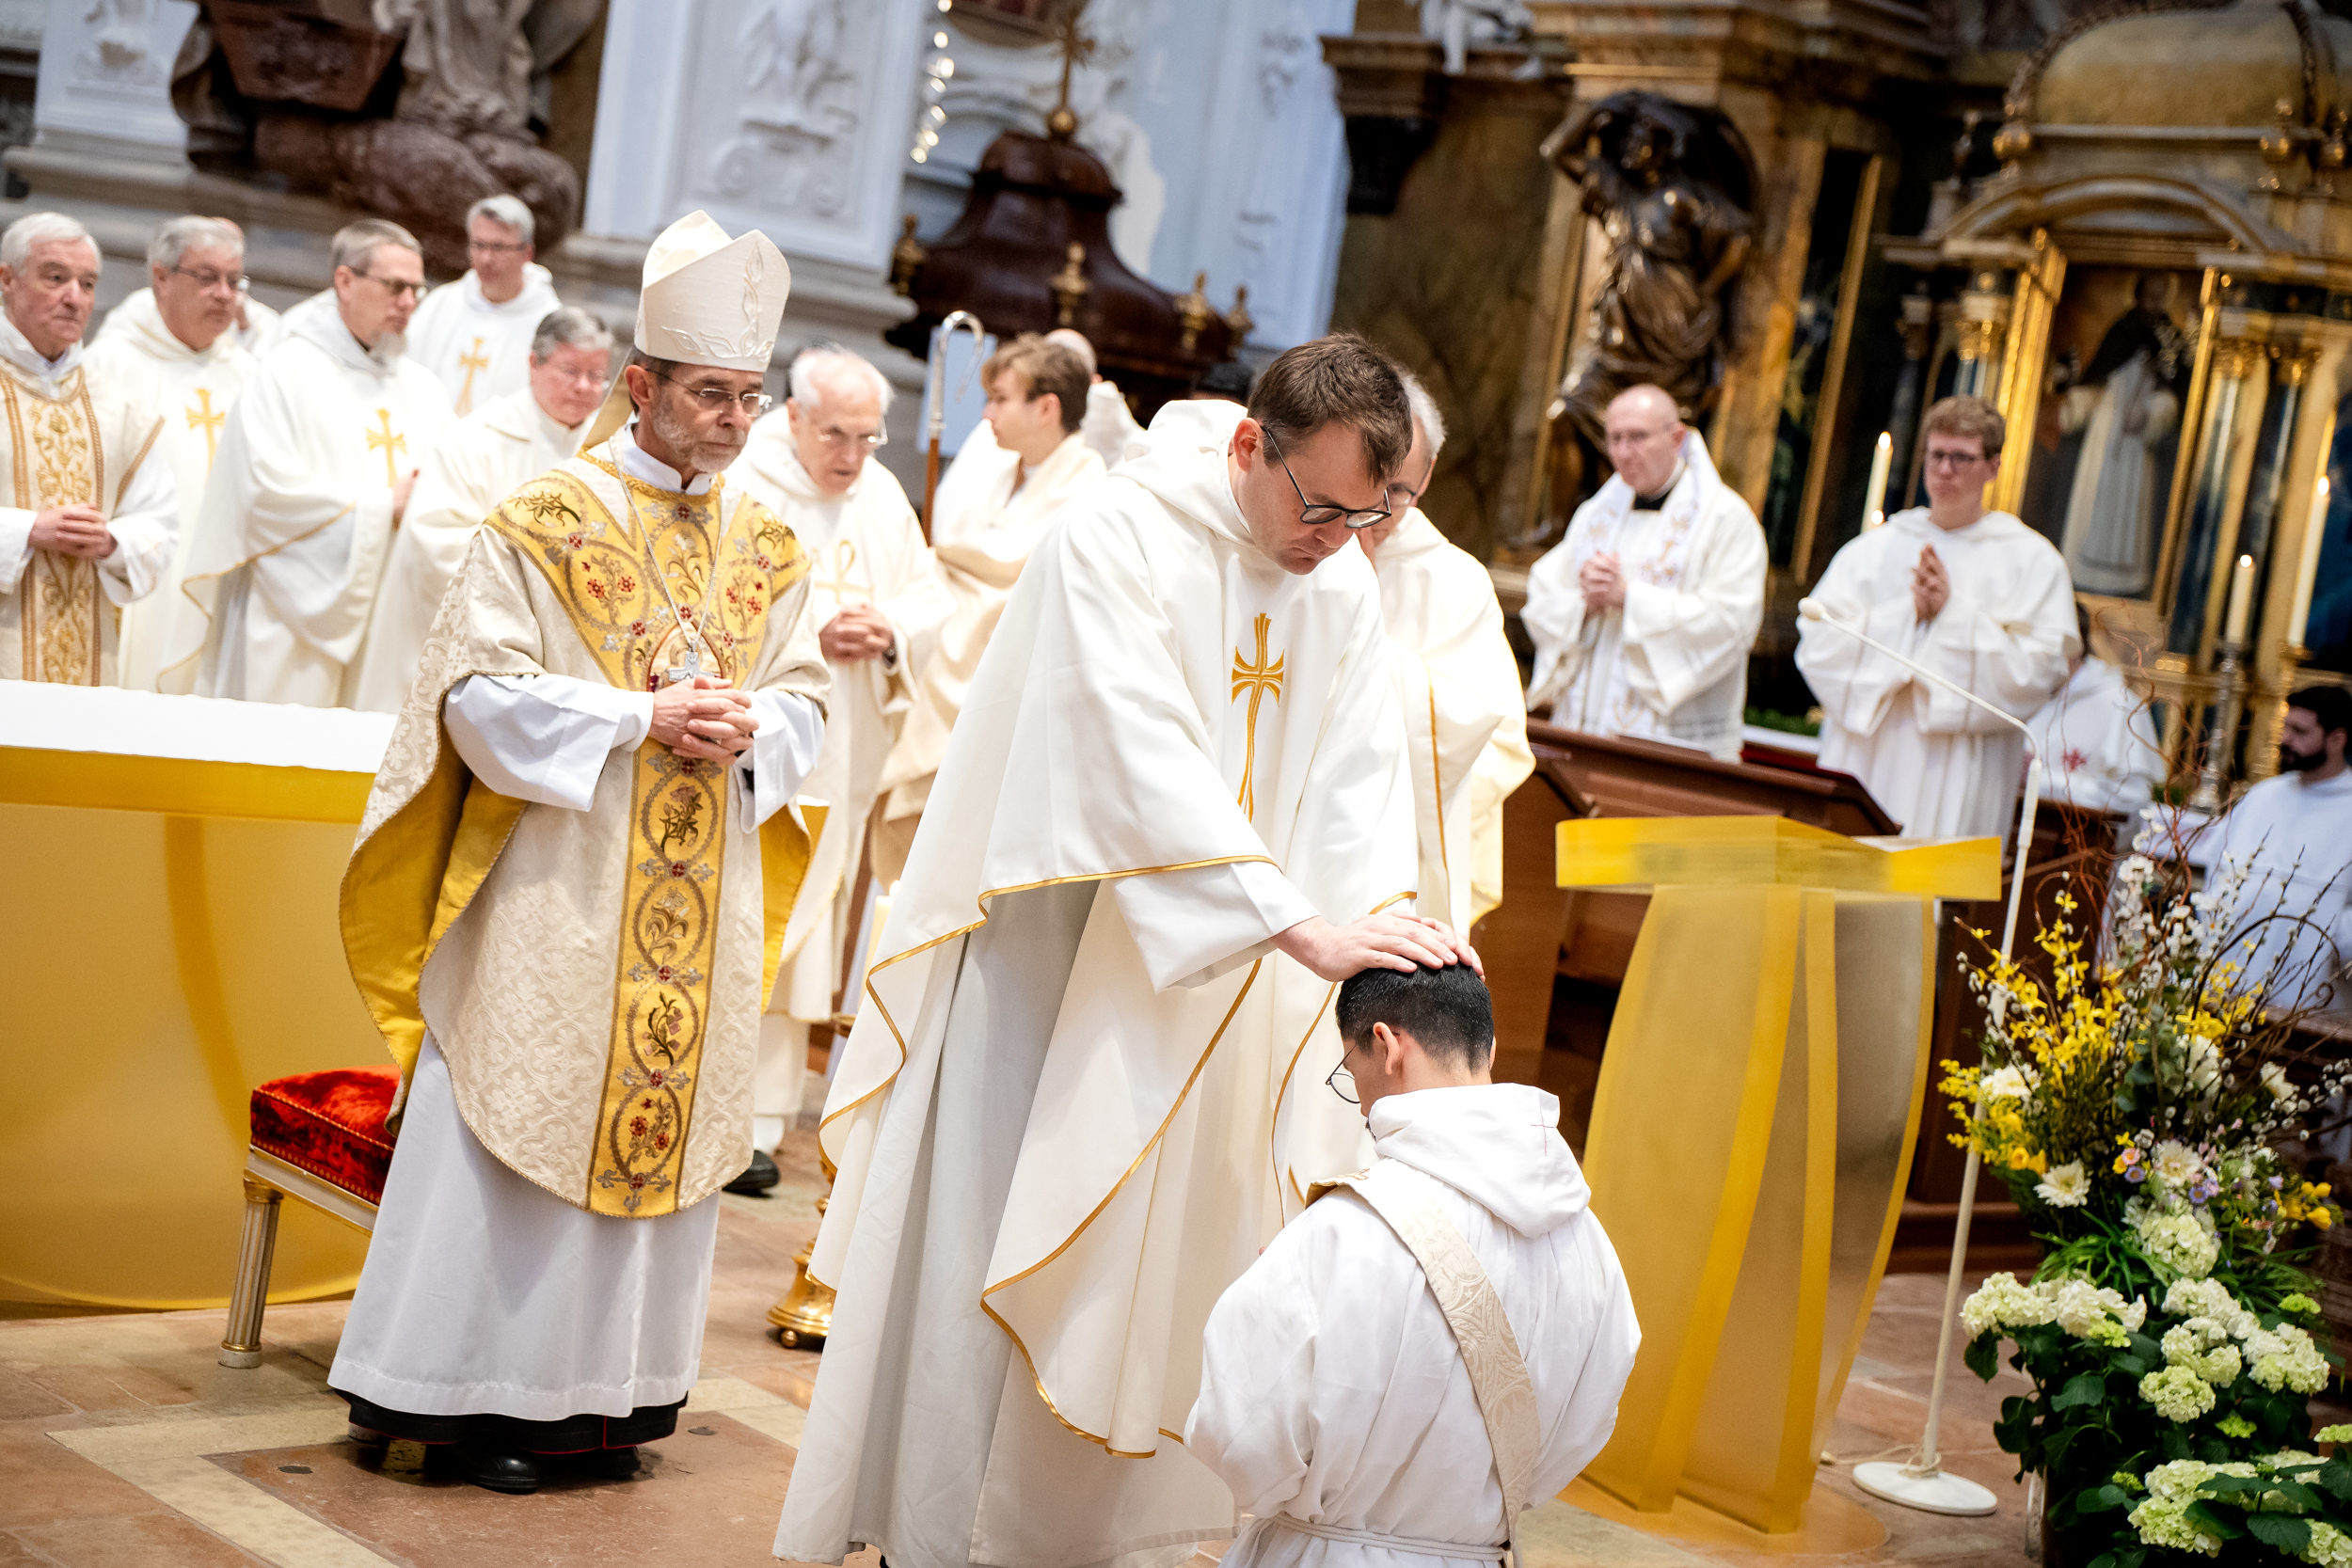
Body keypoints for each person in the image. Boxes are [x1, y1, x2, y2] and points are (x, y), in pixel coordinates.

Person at [773, 335, 1481, 1568]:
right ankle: (951, 1541)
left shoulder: (1338, 581)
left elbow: (1360, 779)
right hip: (1057, 971)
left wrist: (1379, 931)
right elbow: (1127, 743)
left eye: (1369, 517)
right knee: (1008, 1243)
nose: (1336, 541)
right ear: (1248, 444)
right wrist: (1291, 918)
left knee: (1163, 1272)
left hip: (1233, 981)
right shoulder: (1115, 534)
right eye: (1319, 506)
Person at [330, 210, 827, 1495]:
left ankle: (608, 1405)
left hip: (694, 903)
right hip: (559, 889)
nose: (735, 419)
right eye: (710, 393)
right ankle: (470, 1400)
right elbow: (473, 699)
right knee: (525, 1124)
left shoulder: (770, 545)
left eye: (749, 396)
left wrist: (760, 724)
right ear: (640, 388)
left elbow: (812, 701)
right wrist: (635, 718)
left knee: (651, 1130)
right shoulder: (544, 517)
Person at [1186, 962, 1639, 1568]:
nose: (1360, 1104)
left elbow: (1240, 1438)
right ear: (1489, 1049)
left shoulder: (1343, 1230)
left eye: (1350, 1074)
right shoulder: (1593, 1248)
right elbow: (1584, 1427)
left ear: (1386, 1045)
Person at [727, 342, 949, 1164]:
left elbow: (930, 599)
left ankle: (760, 1120)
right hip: (755, 741)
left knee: (809, 920)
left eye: (868, 436)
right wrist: (808, 630)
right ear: (793, 417)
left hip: (841, 745)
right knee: (743, 911)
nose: (853, 455)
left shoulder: (881, 495)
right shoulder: (741, 479)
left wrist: (889, 631)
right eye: (836, 435)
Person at [172, 218, 456, 707]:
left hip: (389, 624)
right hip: (286, 622)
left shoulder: (425, 391)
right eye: (395, 287)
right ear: (344, 281)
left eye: (416, 289)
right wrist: (381, 508)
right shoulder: (285, 374)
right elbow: (263, 498)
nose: (409, 303)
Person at [872, 332, 1104, 876]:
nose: (986, 414)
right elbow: (958, 553)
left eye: (1000, 399)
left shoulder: (1091, 484)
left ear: (1046, 408)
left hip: (1012, 671)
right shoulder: (1001, 467)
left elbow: (1015, 574)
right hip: (957, 628)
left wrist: (946, 571)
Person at [1798, 395, 2077, 838]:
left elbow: (2038, 673)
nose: (1945, 470)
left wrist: (1954, 614)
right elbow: (1817, 645)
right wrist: (1907, 614)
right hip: (1867, 757)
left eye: (1962, 458)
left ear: (1993, 467)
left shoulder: (2031, 561)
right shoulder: (1873, 550)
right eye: (1937, 454)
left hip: (1961, 767)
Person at [351, 307, 612, 713]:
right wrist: (539, 575)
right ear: (533, 364)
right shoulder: (473, 442)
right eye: (570, 371)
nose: (583, 387)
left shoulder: (610, 454)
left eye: (596, 376)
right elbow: (435, 545)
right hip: (471, 658)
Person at [1358, 372, 1534, 930]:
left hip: (1391, 859)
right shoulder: (1293, 542)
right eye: (1366, 481)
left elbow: (1501, 746)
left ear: (1429, 474)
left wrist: (1357, 610)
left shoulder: (1457, 583)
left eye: (1398, 492)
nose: (1375, 510)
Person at [1521, 383, 1766, 762]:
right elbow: (1544, 597)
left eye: (1637, 437)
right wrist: (1584, 604)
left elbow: (1733, 623)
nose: (1623, 452)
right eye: (1615, 439)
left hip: (1670, 747)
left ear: (1677, 438)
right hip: (1580, 734)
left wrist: (1629, 598)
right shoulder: (1596, 515)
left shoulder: (1726, 520)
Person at [0, 212, 176, 686]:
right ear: (7, 279)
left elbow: (160, 523)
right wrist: (26, 530)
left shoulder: (119, 407)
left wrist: (111, 542)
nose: (74, 298)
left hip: (88, 658)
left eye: (87, 283)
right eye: (55, 278)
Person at [85, 217, 260, 693]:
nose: (224, 295)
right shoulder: (110, 364)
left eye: (234, 280)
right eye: (207, 278)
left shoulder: (248, 375)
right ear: (161, 277)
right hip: (139, 577)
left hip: (221, 577)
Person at [2210, 686, 2352, 1013]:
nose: (2285, 739)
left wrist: (2330, 938)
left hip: (2309, 1000)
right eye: (2285, 727)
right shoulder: (2262, 796)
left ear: (2337, 739)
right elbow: (2216, 874)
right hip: (2223, 988)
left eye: (2299, 732)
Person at [403, 195, 564, 415]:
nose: (486, 258)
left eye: (498, 247)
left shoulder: (550, 323)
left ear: (527, 253)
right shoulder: (440, 304)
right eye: (478, 245)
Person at [2027, 603, 2165, 819]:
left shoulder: (2120, 704)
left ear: (2073, 646)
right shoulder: (2025, 694)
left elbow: (2131, 796)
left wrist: (2040, 780)